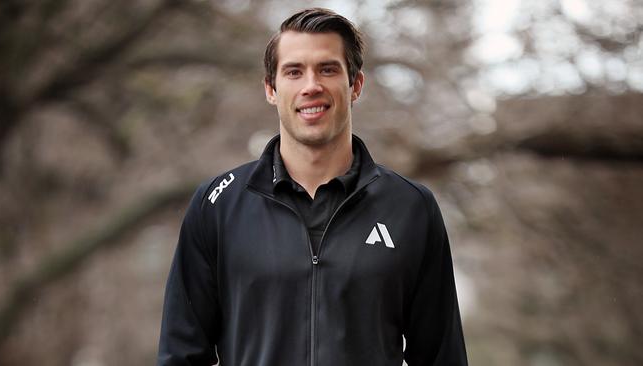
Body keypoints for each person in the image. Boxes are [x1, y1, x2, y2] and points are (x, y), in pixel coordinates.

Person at [157, 7, 467, 366]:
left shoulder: (411, 207)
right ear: (271, 89)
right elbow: (181, 354)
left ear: (356, 85)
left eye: (328, 69)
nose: (311, 86)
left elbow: (442, 357)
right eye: (293, 72)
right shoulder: (217, 206)